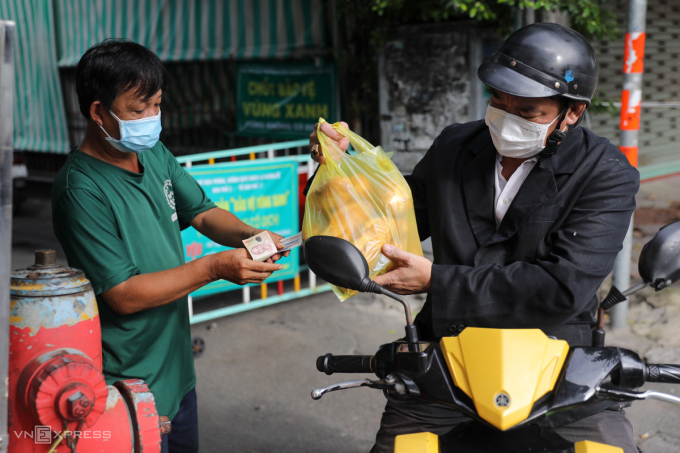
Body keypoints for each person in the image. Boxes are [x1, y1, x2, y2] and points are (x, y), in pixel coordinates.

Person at [308, 23, 640, 452]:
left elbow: (562, 288)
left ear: (572, 112)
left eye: (528, 111)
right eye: (499, 103)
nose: (506, 119)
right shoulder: (455, 145)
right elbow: (392, 221)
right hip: (445, 357)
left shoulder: (607, 174)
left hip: (558, 364)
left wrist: (436, 280)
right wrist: (341, 172)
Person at [52, 40, 287, 453]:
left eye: (157, 105)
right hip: (126, 382)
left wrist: (255, 238)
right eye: (138, 109)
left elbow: (203, 211)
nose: (152, 119)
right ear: (97, 112)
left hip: (177, 371)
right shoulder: (81, 189)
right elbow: (122, 295)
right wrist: (214, 267)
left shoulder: (153, 152)